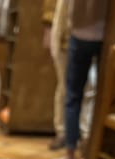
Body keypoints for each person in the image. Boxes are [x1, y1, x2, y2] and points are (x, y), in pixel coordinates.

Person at [61, 0, 107, 159]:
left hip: (80, 30)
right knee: (102, 99)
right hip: (107, 31)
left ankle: (70, 155)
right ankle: (90, 154)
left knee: (73, 96)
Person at [42, 0, 69, 151]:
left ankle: (84, 135)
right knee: (64, 87)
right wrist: (48, 26)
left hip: (89, 37)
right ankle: (62, 132)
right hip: (63, 33)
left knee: (90, 90)